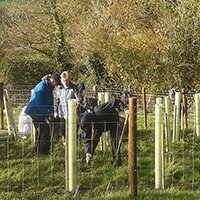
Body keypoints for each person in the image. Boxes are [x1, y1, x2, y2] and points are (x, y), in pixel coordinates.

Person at [78, 98, 128, 166]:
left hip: (112, 119)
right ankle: (88, 158)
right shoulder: (84, 123)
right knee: (94, 140)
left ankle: (117, 161)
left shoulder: (100, 110)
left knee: (114, 141)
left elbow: (115, 101)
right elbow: (86, 138)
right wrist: (88, 152)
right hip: (99, 124)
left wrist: (125, 109)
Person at [25, 73, 61, 155]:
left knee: (41, 131)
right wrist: (47, 114)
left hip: (40, 111)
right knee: (44, 131)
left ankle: (39, 150)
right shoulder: (42, 87)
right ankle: (43, 151)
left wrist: (52, 111)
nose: (56, 86)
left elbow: (50, 101)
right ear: (52, 81)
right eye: (56, 83)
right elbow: (38, 103)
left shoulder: (48, 87)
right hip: (35, 111)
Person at [54, 71, 78, 137]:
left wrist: (76, 104)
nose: (65, 82)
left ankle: (73, 143)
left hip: (72, 113)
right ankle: (65, 141)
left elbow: (79, 99)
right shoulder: (58, 88)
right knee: (62, 129)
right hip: (62, 112)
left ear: (69, 79)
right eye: (64, 81)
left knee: (73, 129)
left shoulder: (74, 88)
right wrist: (55, 111)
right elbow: (56, 100)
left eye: (67, 80)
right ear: (61, 80)